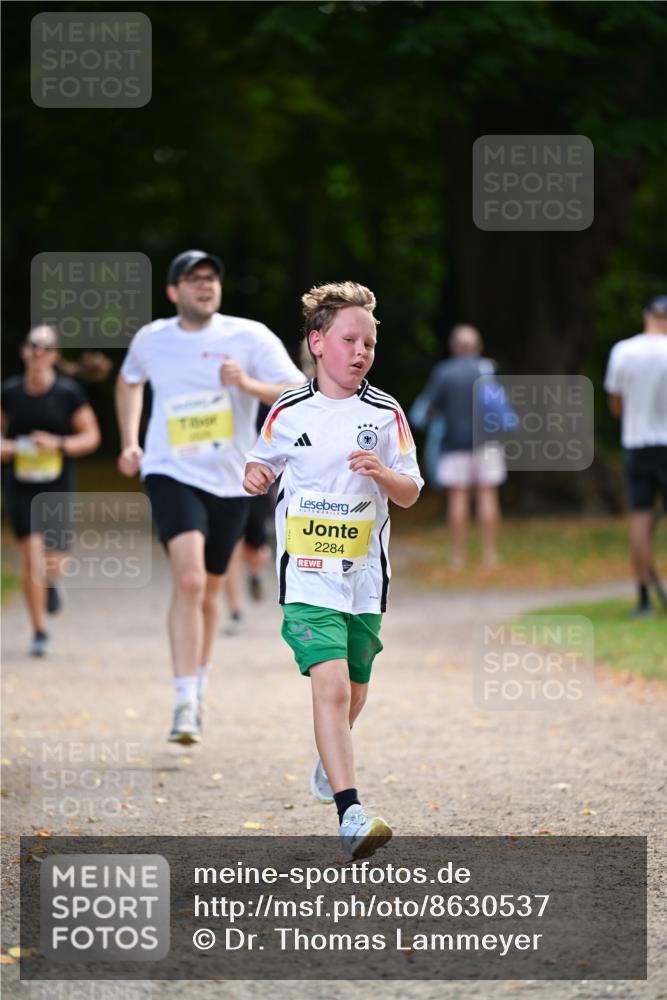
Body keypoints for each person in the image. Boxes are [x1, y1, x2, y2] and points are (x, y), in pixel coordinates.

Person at [244, 281, 423, 861]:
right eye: (350, 339)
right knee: (332, 684)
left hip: (365, 575)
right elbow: (261, 456)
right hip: (309, 573)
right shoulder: (289, 409)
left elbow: (412, 492)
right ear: (318, 342)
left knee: (358, 687)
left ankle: (329, 758)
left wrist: (381, 473)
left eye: (369, 342)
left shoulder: (387, 412)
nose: (361, 351)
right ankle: (352, 812)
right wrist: (255, 475)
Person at [116, 249, 305, 744]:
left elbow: (296, 390)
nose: (206, 285)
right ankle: (182, 700)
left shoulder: (248, 335)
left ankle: (198, 688)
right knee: (191, 578)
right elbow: (129, 380)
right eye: (194, 279)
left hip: (231, 479)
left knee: (213, 588)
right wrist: (130, 440)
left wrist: (246, 383)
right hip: (170, 470)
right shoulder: (152, 339)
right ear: (173, 291)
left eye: (212, 278)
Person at [1, 325, 101, 656]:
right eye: (34, 345)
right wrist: (13, 448)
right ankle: (39, 630)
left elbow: (90, 437)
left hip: (57, 484)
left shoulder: (68, 393)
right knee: (30, 559)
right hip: (20, 484)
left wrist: (57, 443)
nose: (39, 352)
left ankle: (52, 582)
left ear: (56, 355)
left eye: (47, 347)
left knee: (54, 562)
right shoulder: (10, 393)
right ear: (24, 351)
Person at [421, 324, 506, 569]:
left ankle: (457, 557)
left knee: (458, 498)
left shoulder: (444, 372)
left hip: (454, 443)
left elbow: (430, 409)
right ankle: (489, 555)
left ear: (454, 347)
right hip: (487, 442)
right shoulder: (487, 369)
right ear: (477, 347)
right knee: (488, 495)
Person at [604, 295, 667, 617]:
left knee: (640, 519)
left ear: (647, 316)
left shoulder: (624, 351)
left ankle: (643, 598)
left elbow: (615, 403)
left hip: (637, 442)